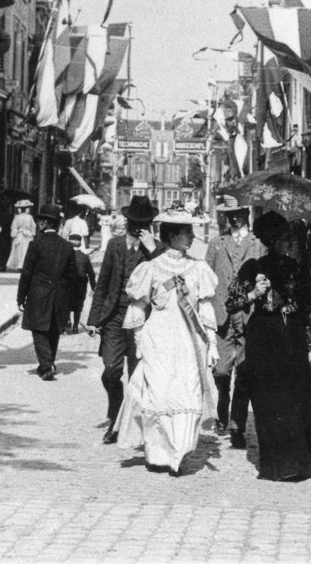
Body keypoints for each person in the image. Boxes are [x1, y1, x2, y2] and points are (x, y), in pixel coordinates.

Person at [115, 203, 219, 476]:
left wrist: (212, 342)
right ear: (173, 236)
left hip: (188, 340)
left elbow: (206, 308)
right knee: (159, 393)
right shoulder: (151, 268)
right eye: (188, 232)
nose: (193, 237)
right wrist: (139, 343)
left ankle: (180, 453)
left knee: (187, 391)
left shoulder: (198, 269)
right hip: (158, 338)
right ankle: (158, 454)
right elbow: (137, 308)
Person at [229, 212, 311, 481]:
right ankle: (282, 464)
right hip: (264, 336)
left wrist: (310, 342)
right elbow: (232, 302)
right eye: (283, 238)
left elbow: (308, 308)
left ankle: (309, 455)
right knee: (270, 399)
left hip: (293, 336)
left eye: (290, 238)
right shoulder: (253, 267)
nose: (289, 243)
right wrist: (254, 293)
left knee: (300, 393)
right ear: (271, 240)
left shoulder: (297, 268)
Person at [86, 195, 163, 444]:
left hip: (143, 320)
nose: (137, 228)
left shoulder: (155, 249)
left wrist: (152, 250)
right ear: (127, 221)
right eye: (133, 222)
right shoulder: (115, 245)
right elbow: (102, 285)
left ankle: (123, 426)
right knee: (111, 371)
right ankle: (115, 411)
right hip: (115, 317)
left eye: (143, 223)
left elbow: (166, 277)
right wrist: (93, 319)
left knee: (135, 376)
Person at [204, 194, 264, 448]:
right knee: (221, 370)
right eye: (230, 215)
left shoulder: (259, 244)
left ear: (247, 215)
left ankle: (237, 426)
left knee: (245, 371)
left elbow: (266, 275)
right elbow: (205, 277)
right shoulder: (217, 243)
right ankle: (222, 402)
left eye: (239, 213)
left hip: (250, 315)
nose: (235, 218)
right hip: (223, 317)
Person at [16, 203, 79, 381]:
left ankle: (46, 365)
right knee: (53, 329)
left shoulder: (35, 245)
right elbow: (72, 276)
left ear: (43, 224)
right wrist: (71, 302)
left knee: (38, 330)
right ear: (58, 225)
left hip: (38, 293)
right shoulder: (67, 247)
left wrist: (21, 297)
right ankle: (48, 362)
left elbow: (27, 273)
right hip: (60, 295)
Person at [66, 232, 96, 333]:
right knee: (78, 306)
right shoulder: (84, 256)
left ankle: (68, 320)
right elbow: (91, 273)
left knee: (66, 303)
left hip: (67, 284)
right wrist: (93, 286)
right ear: (80, 244)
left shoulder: (65, 256)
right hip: (81, 285)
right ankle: (75, 326)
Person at [6, 200, 36, 271]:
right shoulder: (29, 217)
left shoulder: (17, 217)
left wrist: (15, 233)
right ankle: (23, 265)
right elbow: (33, 226)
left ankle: (19, 265)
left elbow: (13, 227)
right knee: (25, 250)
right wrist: (32, 233)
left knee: (19, 250)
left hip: (19, 235)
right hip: (26, 235)